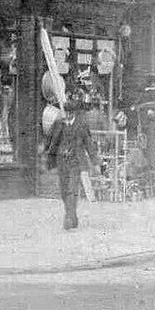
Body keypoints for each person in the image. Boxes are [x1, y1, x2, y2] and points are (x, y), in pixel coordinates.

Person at [44, 97, 97, 230]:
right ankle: (72, 216)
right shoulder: (59, 124)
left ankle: (69, 218)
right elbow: (52, 142)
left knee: (72, 190)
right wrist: (48, 157)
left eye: (70, 112)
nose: (67, 115)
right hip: (62, 162)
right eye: (65, 112)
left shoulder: (81, 125)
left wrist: (95, 161)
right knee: (63, 191)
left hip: (76, 162)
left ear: (74, 113)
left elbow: (89, 144)